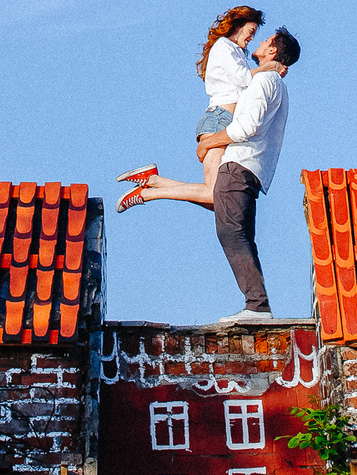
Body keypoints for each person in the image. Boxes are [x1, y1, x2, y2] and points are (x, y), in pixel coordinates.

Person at [114, 26, 300, 324]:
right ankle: (153, 185)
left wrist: (209, 142)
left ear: (273, 51)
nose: (261, 41)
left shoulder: (265, 80)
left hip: (240, 164)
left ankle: (257, 306)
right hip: (252, 169)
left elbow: (245, 128)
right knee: (236, 228)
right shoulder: (275, 83)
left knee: (231, 232)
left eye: (266, 40)